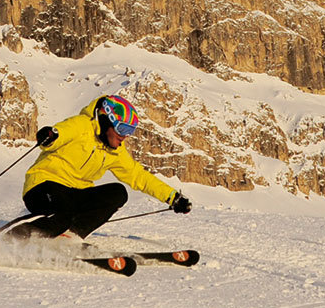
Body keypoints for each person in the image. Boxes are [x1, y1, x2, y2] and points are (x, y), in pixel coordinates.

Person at [11, 94, 191, 239]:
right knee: (63, 213)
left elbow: (138, 176)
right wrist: (50, 135)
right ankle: (7, 236)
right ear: (107, 121)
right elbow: (60, 134)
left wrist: (172, 197)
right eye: (122, 129)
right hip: (44, 186)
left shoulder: (115, 151)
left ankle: (69, 236)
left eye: (130, 131)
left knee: (117, 193)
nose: (125, 136)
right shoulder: (82, 125)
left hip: (75, 193)